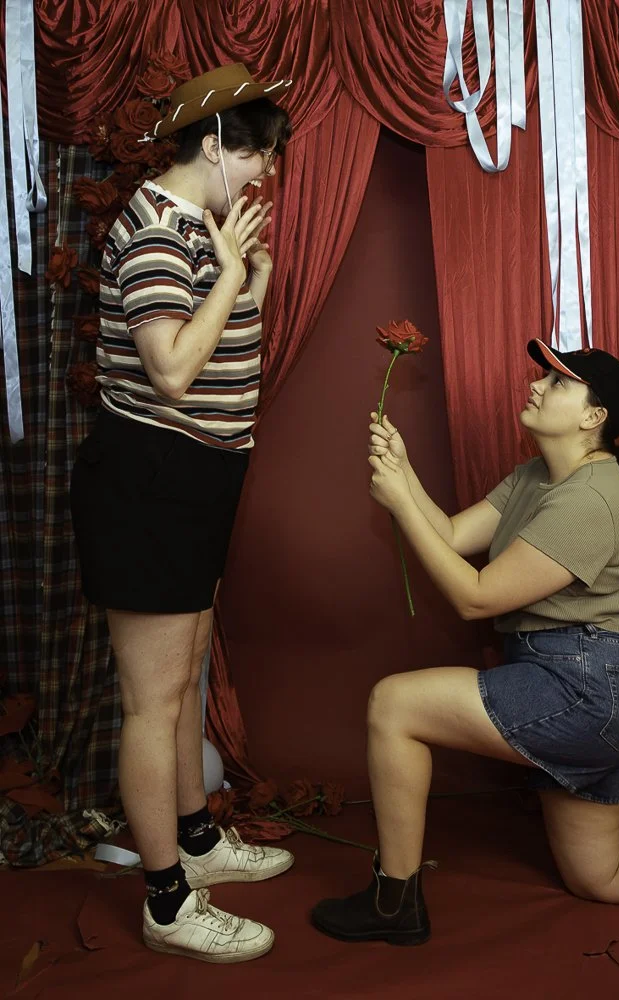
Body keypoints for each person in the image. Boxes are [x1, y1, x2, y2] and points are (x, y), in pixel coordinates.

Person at [310, 338, 619, 945]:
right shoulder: (537, 476)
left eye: (558, 382)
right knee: (599, 875)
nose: (536, 385)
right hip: (607, 687)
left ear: (594, 416)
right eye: (543, 376)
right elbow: (455, 536)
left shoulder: (590, 498)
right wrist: (404, 475)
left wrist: (400, 507)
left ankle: (395, 901)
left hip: (587, 686)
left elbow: (475, 597)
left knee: (394, 704)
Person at [70, 64, 295, 963]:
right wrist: (236, 268)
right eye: (259, 157)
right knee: (153, 700)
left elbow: (226, 342)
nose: (266, 174)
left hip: (197, 477)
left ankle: (197, 843)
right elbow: (170, 370)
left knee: (187, 675)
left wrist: (252, 278)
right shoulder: (160, 233)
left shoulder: (202, 226)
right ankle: (167, 901)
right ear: (213, 145)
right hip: (151, 481)